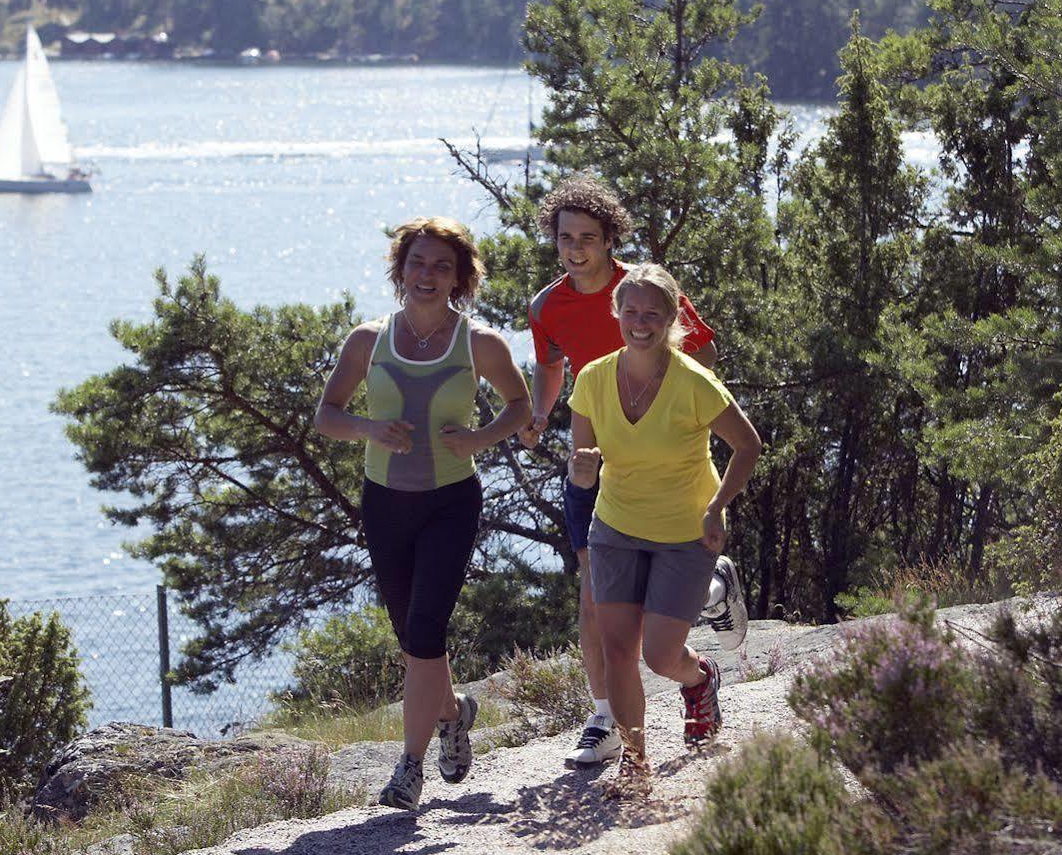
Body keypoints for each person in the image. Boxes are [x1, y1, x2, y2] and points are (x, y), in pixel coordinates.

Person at [517, 175, 745, 769]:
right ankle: (609, 724)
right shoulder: (546, 305)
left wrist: (665, 406)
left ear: (609, 237)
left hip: (667, 473)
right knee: (596, 601)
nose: (574, 249)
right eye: (564, 237)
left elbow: (704, 358)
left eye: (587, 237)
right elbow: (550, 369)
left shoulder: (643, 289)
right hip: (597, 467)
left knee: (653, 629)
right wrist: (542, 413)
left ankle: (709, 591)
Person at [315, 217, 530, 811]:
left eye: (442, 266)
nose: (427, 275)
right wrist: (367, 427)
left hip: (449, 504)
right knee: (413, 642)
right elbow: (326, 415)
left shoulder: (480, 343)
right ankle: (456, 713)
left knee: (427, 631)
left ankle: (409, 770)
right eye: (418, 263)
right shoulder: (368, 339)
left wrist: (481, 437)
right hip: (384, 504)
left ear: (461, 277)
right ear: (400, 269)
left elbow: (520, 405)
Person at [568, 263, 762, 798]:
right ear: (617, 314)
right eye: (630, 311)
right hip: (616, 526)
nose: (640, 322)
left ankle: (699, 679)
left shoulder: (694, 382)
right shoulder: (592, 379)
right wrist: (580, 471)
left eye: (652, 313)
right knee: (617, 650)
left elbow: (748, 446)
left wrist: (718, 507)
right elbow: (582, 460)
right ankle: (636, 763)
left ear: (673, 318)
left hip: (685, 530)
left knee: (659, 655)